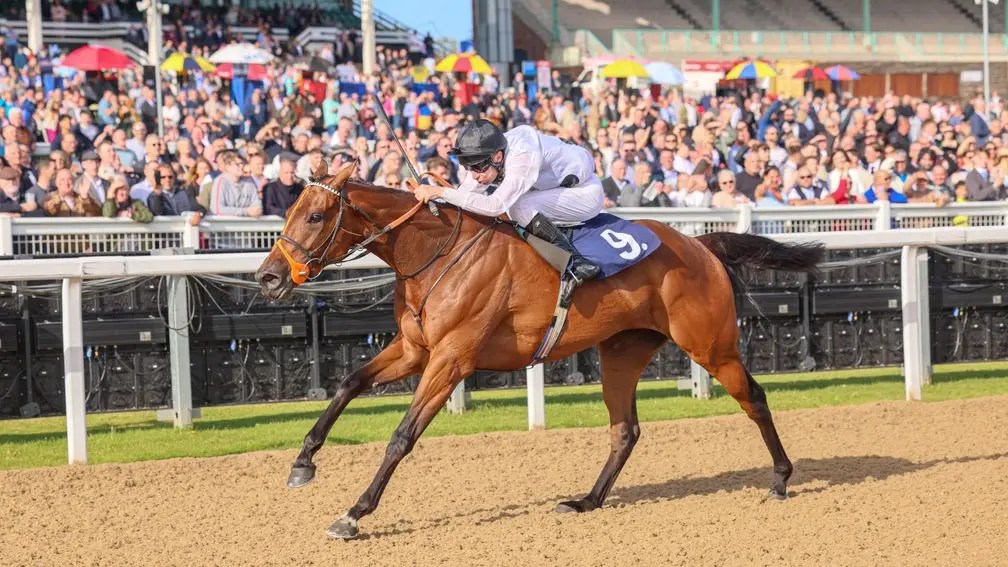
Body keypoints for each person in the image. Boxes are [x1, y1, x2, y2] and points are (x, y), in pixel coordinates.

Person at [412, 119, 604, 302]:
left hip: (585, 193)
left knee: (518, 206)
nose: (475, 175)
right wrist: (436, 205)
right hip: (557, 189)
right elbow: (464, 195)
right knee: (517, 205)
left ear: (498, 157)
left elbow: (495, 206)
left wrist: (441, 192)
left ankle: (576, 263)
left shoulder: (522, 156)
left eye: (478, 167)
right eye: (468, 167)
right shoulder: (490, 155)